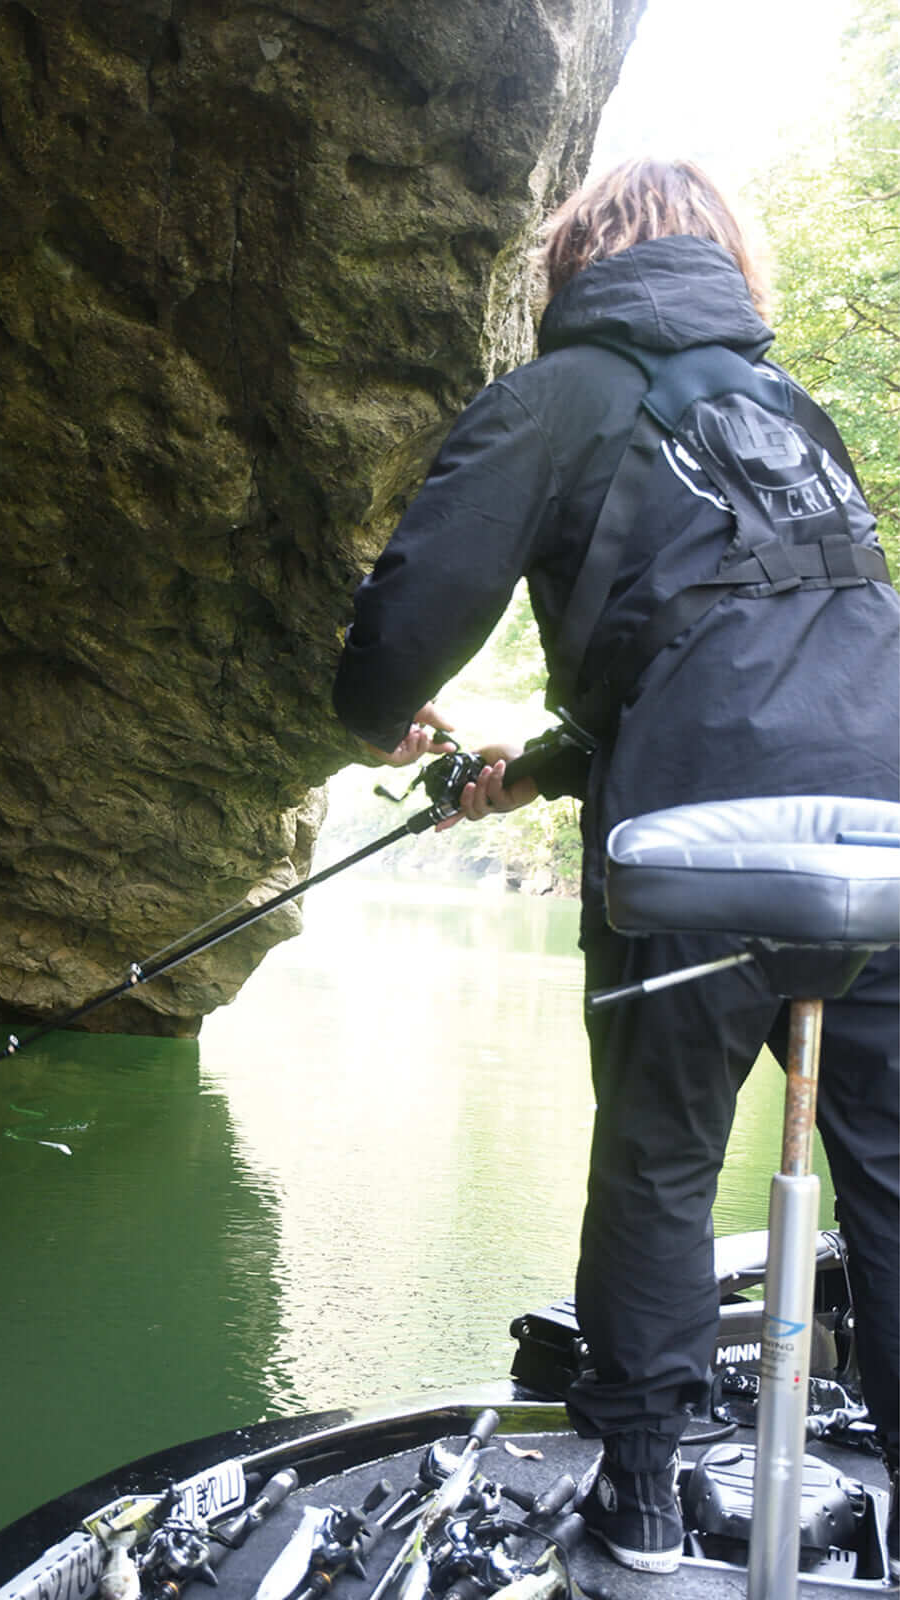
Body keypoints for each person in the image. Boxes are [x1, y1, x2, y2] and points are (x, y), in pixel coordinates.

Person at [332, 157, 899, 1576]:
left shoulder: (557, 397)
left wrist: (370, 711)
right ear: (725, 264)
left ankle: (640, 1499)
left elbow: (407, 627)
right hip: (887, 834)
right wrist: (517, 776)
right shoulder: (791, 413)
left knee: (656, 1164)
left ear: (575, 265)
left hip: (696, 847)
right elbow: (727, 652)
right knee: (892, 1174)